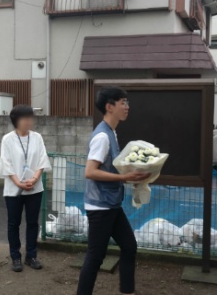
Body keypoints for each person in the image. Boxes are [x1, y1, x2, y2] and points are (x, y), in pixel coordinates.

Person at [76, 87, 150, 295]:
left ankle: (127, 291)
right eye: (123, 103)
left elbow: (111, 167)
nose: (127, 107)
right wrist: (124, 178)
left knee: (129, 246)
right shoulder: (102, 137)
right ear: (109, 106)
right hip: (100, 207)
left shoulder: (112, 132)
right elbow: (90, 172)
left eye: (127, 103)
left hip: (110, 204)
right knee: (95, 257)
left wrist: (133, 176)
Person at [0, 105, 51, 273]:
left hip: (35, 187)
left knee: (33, 222)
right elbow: (6, 163)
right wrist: (19, 183)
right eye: (25, 118)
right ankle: (15, 257)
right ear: (16, 120)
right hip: (14, 189)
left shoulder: (37, 137)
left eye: (30, 117)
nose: (29, 121)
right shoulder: (7, 139)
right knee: (14, 223)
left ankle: (31, 255)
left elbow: (42, 159)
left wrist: (34, 178)